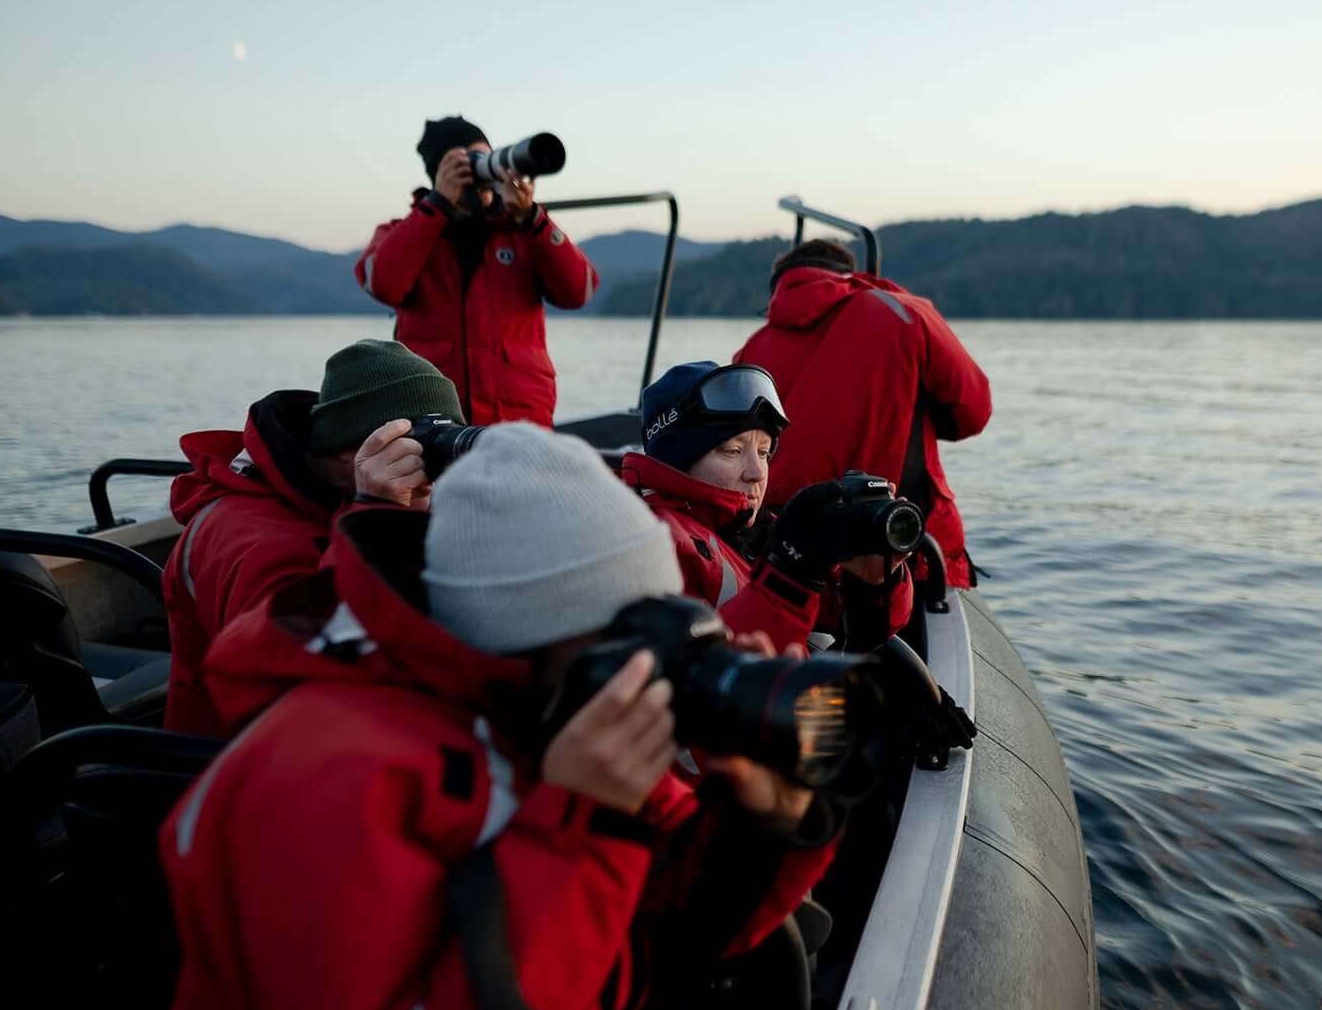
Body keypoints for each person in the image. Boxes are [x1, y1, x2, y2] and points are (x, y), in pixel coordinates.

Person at [159, 424, 838, 1010]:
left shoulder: (548, 715)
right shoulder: (322, 784)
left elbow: (670, 934)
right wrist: (580, 832)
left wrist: (762, 825)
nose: (648, 671)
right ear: (536, 640)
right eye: (630, 640)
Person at [162, 338, 461, 737]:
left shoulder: (346, 497)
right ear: (347, 451)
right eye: (414, 444)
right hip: (237, 761)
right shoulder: (247, 535)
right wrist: (381, 523)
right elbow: (295, 683)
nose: (431, 464)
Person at [734, 240, 992, 588]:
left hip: (785, 551)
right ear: (851, 274)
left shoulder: (750, 351)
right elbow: (973, 412)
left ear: (781, 285)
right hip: (899, 545)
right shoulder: (903, 313)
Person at [621, 360, 913, 652]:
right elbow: (699, 672)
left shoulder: (756, 528)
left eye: (763, 452)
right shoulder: (656, 546)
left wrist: (870, 581)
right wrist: (791, 574)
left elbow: (866, 624)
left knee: (895, 661)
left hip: (787, 686)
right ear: (677, 462)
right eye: (733, 451)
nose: (757, 471)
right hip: (749, 693)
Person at [354, 115, 599, 426]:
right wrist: (437, 206)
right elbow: (382, 283)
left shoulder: (524, 232)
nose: (483, 171)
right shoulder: (407, 233)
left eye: (487, 158)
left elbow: (579, 290)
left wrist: (531, 218)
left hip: (519, 425)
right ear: (440, 171)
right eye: (470, 161)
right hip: (436, 427)